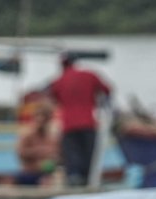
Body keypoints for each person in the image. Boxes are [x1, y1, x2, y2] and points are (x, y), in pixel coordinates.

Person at [47, 53, 112, 186]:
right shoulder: (90, 75)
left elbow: (54, 98)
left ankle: (74, 179)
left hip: (69, 124)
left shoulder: (59, 81)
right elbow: (107, 90)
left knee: (72, 154)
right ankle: (88, 180)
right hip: (88, 122)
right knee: (89, 153)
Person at [15, 99, 60, 185]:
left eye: (44, 117)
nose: (40, 120)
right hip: (29, 174)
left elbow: (57, 157)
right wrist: (38, 151)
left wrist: (53, 158)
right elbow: (20, 153)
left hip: (46, 175)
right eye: (38, 116)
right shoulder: (28, 135)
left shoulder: (52, 137)